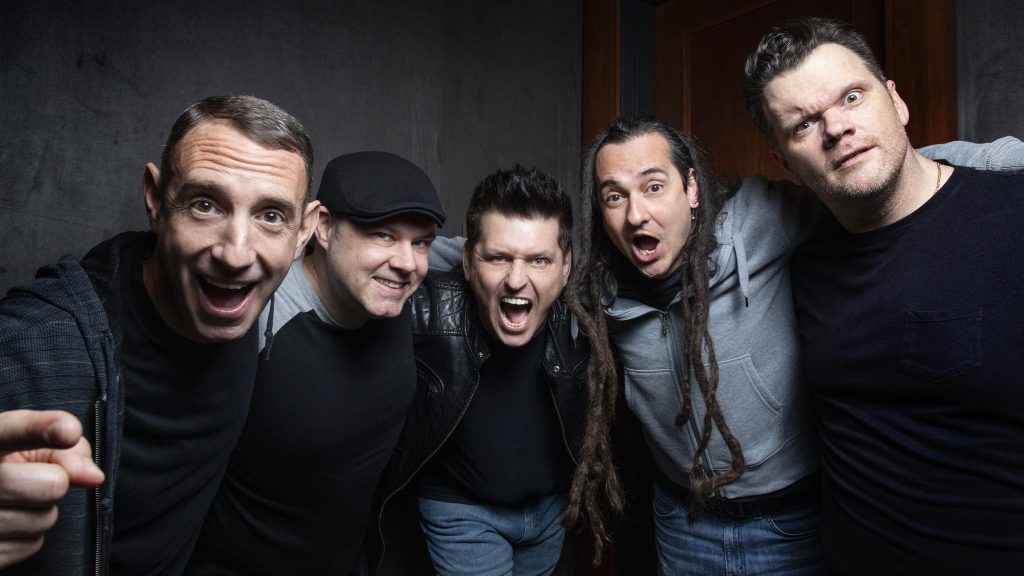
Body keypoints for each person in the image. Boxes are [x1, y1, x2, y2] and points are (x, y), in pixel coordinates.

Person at [564, 114, 1023, 571]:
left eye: (654, 187)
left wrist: (999, 157)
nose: (636, 214)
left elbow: (882, 178)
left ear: (691, 188)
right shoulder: (597, 288)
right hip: (683, 521)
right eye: (614, 196)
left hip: (789, 524)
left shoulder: (758, 218)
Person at [743, 17, 1024, 574]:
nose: (836, 128)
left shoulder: (1011, 215)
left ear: (895, 101)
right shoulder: (802, 264)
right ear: (784, 163)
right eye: (803, 124)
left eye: (852, 96)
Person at [0, 94, 318, 575]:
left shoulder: (253, 305)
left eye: (271, 215)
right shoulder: (35, 343)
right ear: (155, 198)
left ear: (304, 232)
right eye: (205, 205)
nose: (236, 254)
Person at [185, 151, 445, 575]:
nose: (406, 263)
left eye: (421, 242)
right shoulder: (256, 315)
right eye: (382, 235)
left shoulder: (393, 290)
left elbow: (492, 250)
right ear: (322, 226)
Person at [371, 166, 587, 576]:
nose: (517, 280)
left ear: (565, 268)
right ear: (468, 262)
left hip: (550, 511)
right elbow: (351, 257)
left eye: (539, 260)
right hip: (460, 509)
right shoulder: (424, 309)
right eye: (499, 258)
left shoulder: (586, 317)